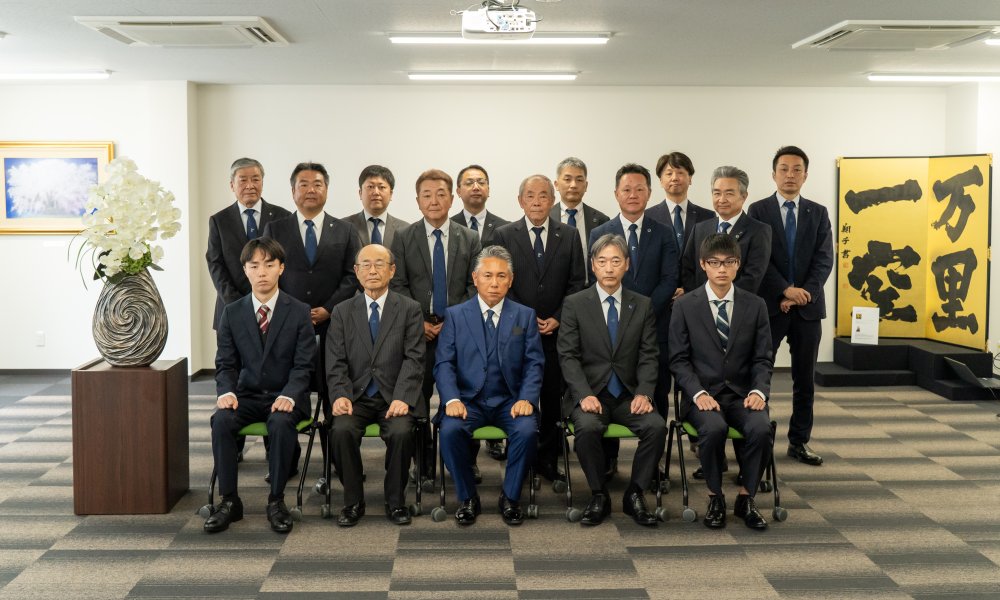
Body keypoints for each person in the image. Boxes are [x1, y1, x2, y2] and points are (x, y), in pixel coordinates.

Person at [206, 237, 317, 534]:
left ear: (281, 268)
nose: (262, 272)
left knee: (280, 423)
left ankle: (276, 501)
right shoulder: (232, 312)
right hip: (246, 395)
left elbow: (304, 365)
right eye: (254, 266)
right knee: (221, 421)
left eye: (269, 264)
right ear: (245, 270)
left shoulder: (299, 311)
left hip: (286, 396)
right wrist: (226, 392)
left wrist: (290, 395)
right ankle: (229, 501)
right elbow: (226, 363)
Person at [558, 233, 665, 527]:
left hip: (628, 395)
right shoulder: (575, 304)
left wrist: (644, 393)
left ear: (626, 265)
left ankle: (635, 494)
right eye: (602, 261)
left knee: (656, 427)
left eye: (616, 261)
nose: (609, 268)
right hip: (591, 393)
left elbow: (649, 355)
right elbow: (568, 356)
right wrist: (583, 394)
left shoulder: (641, 305)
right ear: (593, 265)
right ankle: (598, 494)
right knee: (588, 427)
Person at [669, 233, 773, 530]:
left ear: (738, 264)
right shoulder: (685, 305)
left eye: (729, 262)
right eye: (714, 263)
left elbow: (763, 358)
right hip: (702, 395)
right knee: (713, 429)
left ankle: (746, 497)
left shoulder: (755, 305)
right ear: (703, 264)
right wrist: (697, 393)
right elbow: (678, 359)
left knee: (761, 428)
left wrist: (759, 391)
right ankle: (715, 496)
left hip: (742, 394)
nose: (722, 269)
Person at [434, 246, 544, 526]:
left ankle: (510, 497)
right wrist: (451, 400)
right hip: (467, 401)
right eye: (488, 275)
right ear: (475, 278)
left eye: (501, 276)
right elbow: (444, 363)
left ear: (511, 280)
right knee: (450, 431)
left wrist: (527, 398)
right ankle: (468, 497)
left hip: (510, 400)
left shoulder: (524, 316)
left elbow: (534, 363)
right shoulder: (455, 315)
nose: (494, 283)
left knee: (527, 430)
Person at [492, 175, 587, 483]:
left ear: (552, 200)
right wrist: (526, 317)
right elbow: (499, 283)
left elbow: (577, 283)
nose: (536, 201)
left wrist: (559, 316)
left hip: (556, 332)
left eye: (543, 195)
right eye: (530, 196)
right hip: (517, 331)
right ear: (520, 201)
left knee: (551, 397)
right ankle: (521, 458)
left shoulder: (569, 235)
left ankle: (547, 459)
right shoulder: (504, 235)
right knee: (518, 394)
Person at [390, 168, 481, 478]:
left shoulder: (469, 237)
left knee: (464, 396)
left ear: (452, 198)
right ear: (417, 201)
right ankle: (424, 462)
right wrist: (419, 322)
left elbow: (474, 285)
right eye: (426, 195)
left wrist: (452, 321)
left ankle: (465, 461)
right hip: (419, 333)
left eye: (441, 194)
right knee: (417, 398)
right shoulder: (404, 237)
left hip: (458, 331)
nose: (434, 201)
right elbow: (398, 285)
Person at [326, 244, 425, 527]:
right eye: (365, 265)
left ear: (392, 270)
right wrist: (340, 395)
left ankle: (395, 502)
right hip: (355, 396)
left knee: (401, 432)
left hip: (394, 396)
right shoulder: (342, 311)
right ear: (356, 272)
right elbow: (335, 361)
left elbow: (415, 358)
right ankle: (353, 501)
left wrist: (403, 397)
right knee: (341, 430)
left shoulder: (410, 309)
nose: (372, 270)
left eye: (379, 264)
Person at [747, 146, 833, 467]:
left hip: (807, 310)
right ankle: (760, 439)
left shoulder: (818, 212)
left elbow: (824, 259)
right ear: (774, 174)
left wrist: (803, 293)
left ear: (805, 175)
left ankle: (799, 441)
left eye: (797, 170)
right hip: (771, 307)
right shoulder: (758, 210)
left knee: (804, 379)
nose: (790, 175)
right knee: (760, 375)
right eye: (784, 169)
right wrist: (784, 289)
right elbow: (759, 259)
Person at [589, 164, 678, 418]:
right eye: (626, 189)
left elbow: (669, 279)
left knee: (657, 390)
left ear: (649, 193)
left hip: (655, 323)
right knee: (611, 391)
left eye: (639, 189)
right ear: (616, 193)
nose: (633, 195)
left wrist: (643, 312)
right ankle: (612, 444)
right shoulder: (600, 232)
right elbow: (597, 278)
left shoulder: (664, 232)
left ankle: (656, 441)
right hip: (612, 326)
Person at [206, 157, 291, 330]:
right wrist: (238, 303)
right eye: (243, 180)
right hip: (230, 308)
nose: (250, 185)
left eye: (255, 179)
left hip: (275, 309)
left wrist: (271, 300)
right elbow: (215, 264)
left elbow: (288, 262)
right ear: (232, 185)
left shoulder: (283, 217)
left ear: (262, 182)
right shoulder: (219, 221)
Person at [681, 166, 772, 293]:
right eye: (717, 193)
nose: (722, 200)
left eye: (729, 194)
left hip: (740, 302)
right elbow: (687, 269)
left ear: (744, 196)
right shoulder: (700, 229)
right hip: (700, 302)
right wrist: (702, 297)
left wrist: (721, 298)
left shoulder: (759, 231)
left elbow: (752, 277)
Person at [645, 151, 714, 300]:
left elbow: (711, 259)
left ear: (690, 179)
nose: (675, 178)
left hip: (697, 297)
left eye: (680, 172)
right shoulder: (647, 217)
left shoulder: (708, 217)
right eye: (669, 173)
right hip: (657, 299)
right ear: (660, 180)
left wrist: (689, 289)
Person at [550, 156, 610, 261]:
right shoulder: (546, 217)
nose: (573, 185)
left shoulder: (602, 221)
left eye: (579, 180)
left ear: (586, 186)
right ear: (556, 184)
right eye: (567, 179)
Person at [344, 164, 408, 248]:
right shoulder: (344, 226)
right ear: (360, 193)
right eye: (370, 187)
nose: (376, 192)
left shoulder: (405, 229)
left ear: (391, 194)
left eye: (382, 187)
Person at [451, 164, 509, 245]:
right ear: (458, 191)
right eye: (469, 183)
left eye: (481, 182)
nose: (476, 188)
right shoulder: (449, 226)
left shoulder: (505, 228)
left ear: (488, 190)